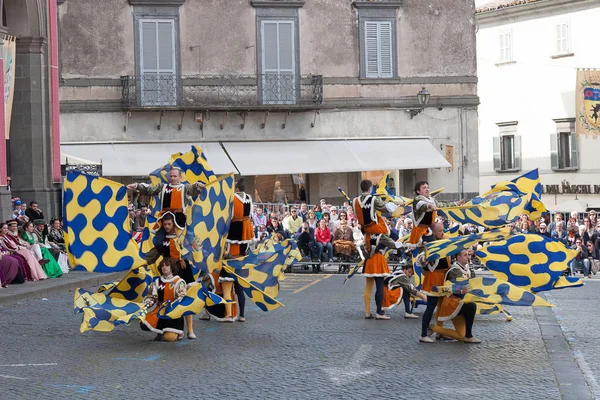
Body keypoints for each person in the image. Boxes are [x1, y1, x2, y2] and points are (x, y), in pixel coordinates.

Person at [127, 168, 205, 230]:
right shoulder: (162, 187)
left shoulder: (185, 188)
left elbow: (193, 189)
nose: (172, 178)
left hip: (179, 222)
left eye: (175, 176)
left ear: (180, 177)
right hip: (164, 221)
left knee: (178, 245)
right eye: (171, 176)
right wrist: (137, 186)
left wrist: (198, 186)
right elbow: (150, 189)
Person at [433, 249, 481, 343]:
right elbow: (458, 287)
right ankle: (469, 335)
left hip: (461, 301)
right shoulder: (454, 270)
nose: (468, 257)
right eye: (465, 255)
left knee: (460, 336)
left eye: (468, 255)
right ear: (458, 257)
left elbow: (473, 284)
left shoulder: (468, 270)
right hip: (452, 303)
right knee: (471, 306)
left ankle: (434, 328)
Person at [222, 179, 252, 322]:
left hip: (236, 229)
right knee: (240, 288)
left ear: (236, 188)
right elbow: (249, 214)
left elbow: (230, 215)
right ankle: (242, 315)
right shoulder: (249, 198)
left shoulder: (233, 198)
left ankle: (228, 314)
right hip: (246, 229)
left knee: (227, 286)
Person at [353, 180, 405, 259]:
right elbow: (386, 208)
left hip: (364, 230)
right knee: (389, 235)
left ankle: (370, 248)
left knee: (375, 245)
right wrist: (398, 203)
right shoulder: (373, 199)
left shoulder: (355, 201)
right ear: (370, 189)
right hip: (374, 229)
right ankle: (381, 249)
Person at [417, 222, 451, 343]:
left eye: (443, 230)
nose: (443, 232)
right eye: (440, 230)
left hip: (443, 278)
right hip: (434, 279)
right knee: (431, 307)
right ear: (434, 232)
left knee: (442, 307)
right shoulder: (431, 245)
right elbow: (422, 260)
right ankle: (423, 334)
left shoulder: (442, 242)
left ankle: (440, 332)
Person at [141, 258, 187, 342]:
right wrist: (149, 301)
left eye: (167, 265)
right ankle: (160, 331)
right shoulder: (157, 281)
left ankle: (176, 332)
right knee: (143, 324)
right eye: (162, 266)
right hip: (159, 310)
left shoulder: (178, 282)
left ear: (172, 267)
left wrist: (173, 305)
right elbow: (151, 296)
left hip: (173, 312)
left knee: (169, 338)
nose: (164, 267)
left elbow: (182, 298)